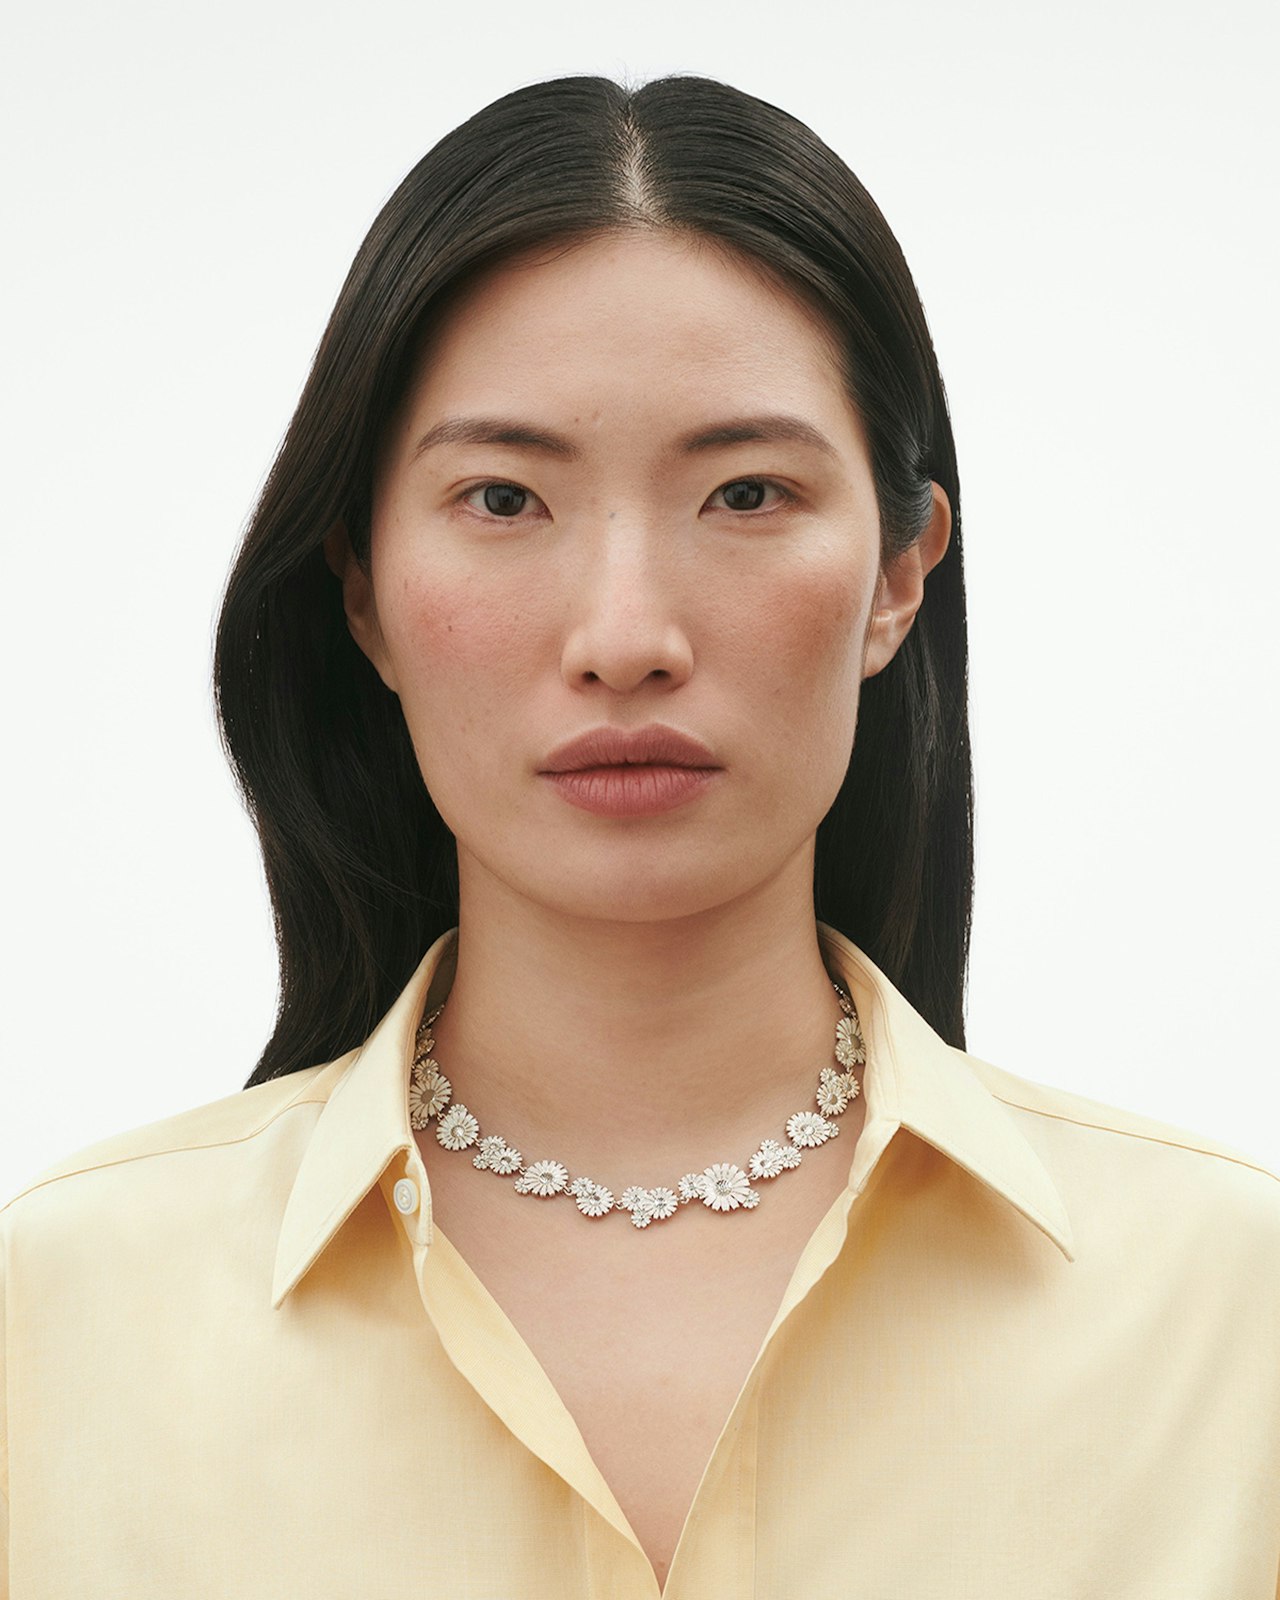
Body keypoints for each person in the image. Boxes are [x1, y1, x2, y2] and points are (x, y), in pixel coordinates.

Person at [1, 72, 1277, 1599]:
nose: (625, 637)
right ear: (360, 591)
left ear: (898, 573)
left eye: (746, 491)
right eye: (502, 497)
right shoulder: (56, 1326)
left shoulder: (1229, 1314)